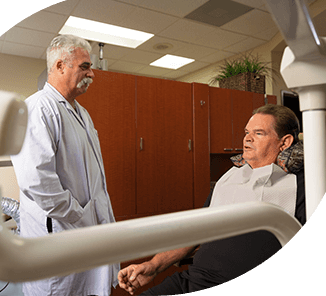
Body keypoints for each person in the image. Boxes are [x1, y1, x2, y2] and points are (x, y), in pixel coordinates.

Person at [118, 104, 305, 295]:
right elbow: (196, 229)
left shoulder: (301, 185)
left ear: (284, 142)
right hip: (192, 281)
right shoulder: (230, 178)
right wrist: (153, 266)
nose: (247, 138)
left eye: (259, 133)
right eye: (247, 132)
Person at [11, 34, 119, 296]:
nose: (92, 74)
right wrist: (76, 214)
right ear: (60, 66)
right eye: (85, 66)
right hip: (62, 233)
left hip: (86, 234)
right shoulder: (37, 109)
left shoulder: (81, 112)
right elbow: (37, 180)